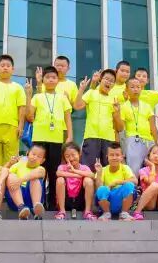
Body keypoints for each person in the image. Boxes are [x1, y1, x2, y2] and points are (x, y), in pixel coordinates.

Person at [27, 66, 72, 207]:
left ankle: (52, 203)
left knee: (53, 171)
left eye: (54, 77)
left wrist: (70, 135)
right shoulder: (37, 97)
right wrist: (28, 95)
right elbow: (29, 116)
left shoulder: (62, 98)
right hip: (39, 138)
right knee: (39, 170)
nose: (51, 80)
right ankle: (37, 201)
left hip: (56, 139)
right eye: (48, 77)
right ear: (43, 80)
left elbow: (68, 117)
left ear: (58, 80)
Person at [75, 69, 123, 168]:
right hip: (91, 137)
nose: (109, 82)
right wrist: (81, 90)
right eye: (107, 79)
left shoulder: (114, 99)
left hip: (108, 139)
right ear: (100, 80)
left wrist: (117, 112)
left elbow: (120, 128)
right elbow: (77, 106)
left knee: (107, 169)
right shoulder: (91, 93)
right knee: (88, 168)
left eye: (112, 81)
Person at [120, 77, 158, 174]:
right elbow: (121, 129)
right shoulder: (123, 106)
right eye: (132, 87)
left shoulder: (147, 106)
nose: (136, 89)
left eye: (138, 87)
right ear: (126, 90)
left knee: (150, 169)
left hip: (149, 141)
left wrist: (157, 142)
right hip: (132, 140)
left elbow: (153, 126)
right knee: (134, 169)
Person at [94, 143, 137, 220]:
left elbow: (135, 181)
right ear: (107, 157)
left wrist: (117, 182)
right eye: (111, 155)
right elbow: (99, 189)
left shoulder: (125, 168)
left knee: (129, 185)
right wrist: (99, 174)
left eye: (117, 155)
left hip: (121, 201)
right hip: (107, 202)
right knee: (102, 189)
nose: (114, 158)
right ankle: (106, 214)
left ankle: (124, 214)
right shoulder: (102, 170)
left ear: (122, 157)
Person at [55, 141, 95, 221]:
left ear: (79, 153)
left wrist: (74, 171)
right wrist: (78, 175)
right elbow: (58, 173)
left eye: (73, 155)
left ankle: (87, 211)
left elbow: (92, 175)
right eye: (67, 156)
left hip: (81, 201)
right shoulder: (62, 167)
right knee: (60, 180)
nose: (71, 158)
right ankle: (62, 211)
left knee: (88, 180)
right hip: (66, 201)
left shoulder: (84, 167)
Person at [6, 144, 48, 220]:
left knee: (34, 179)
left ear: (43, 161)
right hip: (15, 199)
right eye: (33, 154)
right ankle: (21, 208)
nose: (35, 157)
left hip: (32, 200)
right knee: (10, 176)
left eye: (39, 156)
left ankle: (36, 210)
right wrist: (9, 164)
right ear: (27, 154)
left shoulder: (41, 169)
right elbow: (4, 173)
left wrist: (20, 180)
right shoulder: (18, 165)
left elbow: (37, 173)